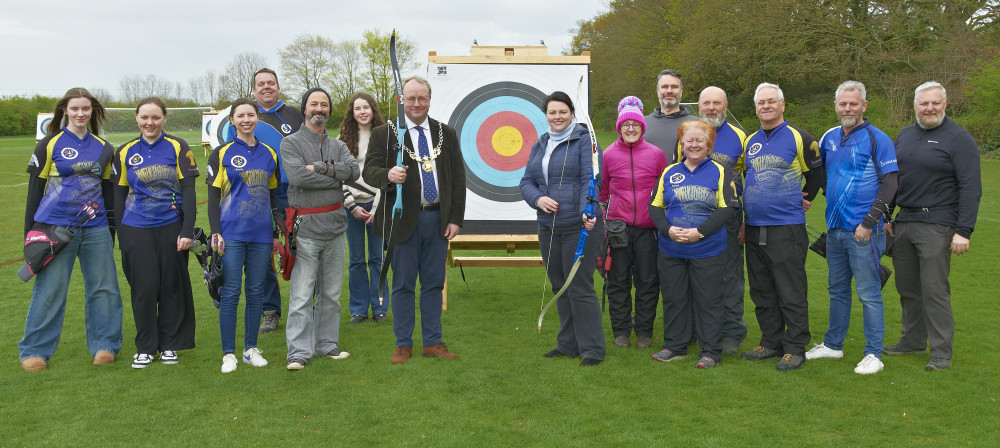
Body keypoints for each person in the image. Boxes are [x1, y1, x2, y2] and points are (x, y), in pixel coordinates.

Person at [363, 76, 466, 364]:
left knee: (434, 283)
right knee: (404, 284)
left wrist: (455, 217)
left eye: (422, 98)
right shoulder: (385, 134)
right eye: (411, 99)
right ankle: (403, 344)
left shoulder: (446, 133)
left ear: (429, 100)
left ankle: (433, 342)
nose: (417, 104)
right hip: (402, 221)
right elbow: (369, 170)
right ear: (402, 101)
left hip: (437, 220)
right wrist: (388, 176)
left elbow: (457, 178)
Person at [19, 87, 123, 372]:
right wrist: (30, 234)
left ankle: (105, 345)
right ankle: (35, 350)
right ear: (65, 110)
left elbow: (108, 192)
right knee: (51, 288)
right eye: (75, 109)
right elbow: (35, 191)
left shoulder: (104, 148)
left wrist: (111, 231)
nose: (80, 114)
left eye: (85, 109)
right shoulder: (48, 144)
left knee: (104, 288)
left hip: (96, 227)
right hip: (54, 228)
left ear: (92, 112)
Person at [884, 81, 981, 371]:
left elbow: (971, 187)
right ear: (915, 105)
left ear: (945, 104)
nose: (929, 108)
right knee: (907, 287)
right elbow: (894, 180)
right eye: (924, 103)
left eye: (935, 103)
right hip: (905, 221)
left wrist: (964, 231)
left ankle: (941, 351)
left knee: (934, 289)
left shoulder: (958, 138)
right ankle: (912, 340)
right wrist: (888, 216)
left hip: (938, 223)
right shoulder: (904, 135)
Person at [805, 81, 898, 374]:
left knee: (869, 293)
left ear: (864, 106)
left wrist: (869, 222)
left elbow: (891, 183)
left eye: (853, 104)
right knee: (837, 289)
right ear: (836, 106)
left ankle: (873, 354)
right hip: (835, 229)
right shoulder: (829, 137)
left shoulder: (877, 138)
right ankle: (833, 345)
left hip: (864, 231)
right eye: (843, 104)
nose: (848, 108)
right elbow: (820, 174)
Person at [739, 83, 823, 371]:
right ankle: (770, 342)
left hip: (786, 228)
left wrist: (808, 199)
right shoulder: (750, 141)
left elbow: (817, 172)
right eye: (761, 102)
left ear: (782, 105)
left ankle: (795, 347)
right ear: (756, 107)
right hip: (754, 227)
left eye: (771, 102)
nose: (766, 106)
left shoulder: (800, 137)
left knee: (790, 289)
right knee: (762, 289)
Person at [520, 91, 606, 367]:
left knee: (579, 286)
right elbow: (526, 181)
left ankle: (592, 349)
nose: (557, 117)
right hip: (548, 226)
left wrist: (587, 211)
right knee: (560, 285)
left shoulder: (584, 141)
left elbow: (589, 179)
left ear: (572, 113)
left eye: (563, 112)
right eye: (552, 112)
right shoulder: (541, 144)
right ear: (546, 115)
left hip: (578, 225)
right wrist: (538, 199)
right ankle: (568, 344)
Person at [113, 96, 199, 369]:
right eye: (144, 117)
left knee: (171, 286)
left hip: (171, 226)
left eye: (156, 117)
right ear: (137, 119)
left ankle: (169, 345)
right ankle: (146, 346)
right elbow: (118, 194)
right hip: (136, 228)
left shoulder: (177, 146)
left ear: (164, 118)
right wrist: (122, 233)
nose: (150, 123)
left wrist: (187, 230)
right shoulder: (125, 151)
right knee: (144, 287)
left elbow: (188, 190)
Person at [648, 120, 740, 368]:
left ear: (709, 145)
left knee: (708, 300)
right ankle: (675, 346)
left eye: (700, 140)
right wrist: (667, 230)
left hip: (708, 249)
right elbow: (655, 206)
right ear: (681, 144)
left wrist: (699, 232)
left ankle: (711, 351)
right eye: (689, 140)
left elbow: (729, 207)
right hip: (672, 249)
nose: (694, 144)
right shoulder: (669, 172)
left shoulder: (721, 171)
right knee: (674, 298)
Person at [282, 88, 360, 370]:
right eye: (314, 104)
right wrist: (334, 175)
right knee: (302, 294)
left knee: (331, 294)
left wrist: (318, 167)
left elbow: (354, 172)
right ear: (305, 109)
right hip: (305, 229)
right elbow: (297, 176)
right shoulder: (290, 143)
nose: (319, 109)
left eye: (324, 105)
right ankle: (299, 352)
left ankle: (326, 344)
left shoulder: (338, 145)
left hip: (335, 228)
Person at [223, 68, 304, 334]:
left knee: (302, 251)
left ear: (278, 87)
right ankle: (270, 310)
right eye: (261, 84)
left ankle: (307, 306)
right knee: (264, 253)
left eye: (271, 83)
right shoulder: (241, 119)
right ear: (254, 90)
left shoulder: (294, 114)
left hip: (295, 194)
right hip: (258, 197)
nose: (266, 87)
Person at [207, 98, 281, 373]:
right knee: (231, 293)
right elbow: (213, 197)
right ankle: (229, 353)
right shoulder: (222, 153)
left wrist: (275, 232)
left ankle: (250, 349)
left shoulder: (270, 154)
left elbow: (273, 196)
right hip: (232, 233)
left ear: (257, 119)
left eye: (251, 115)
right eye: (241, 116)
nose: (247, 120)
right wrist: (216, 232)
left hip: (261, 235)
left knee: (256, 292)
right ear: (233, 121)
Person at [599, 96, 667, 350]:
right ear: (619, 127)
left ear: (642, 127)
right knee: (618, 282)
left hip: (648, 230)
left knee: (648, 282)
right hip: (618, 230)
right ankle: (621, 332)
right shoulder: (607, 155)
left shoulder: (656, 155)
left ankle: (645, 332)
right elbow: (603, 194)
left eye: (635, 124)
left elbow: (664, 191)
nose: (630, 128)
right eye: (625, 124)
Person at [698, 86, 749, 355]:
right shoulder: (688, 133)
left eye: (717, 103)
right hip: (695, 216)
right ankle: (701, 329)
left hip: (729, 218)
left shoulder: (741, 137)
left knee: (730, 276)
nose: (711, 108)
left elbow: (748, 181)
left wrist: (744, 220)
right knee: (699, 275)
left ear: (726, 106)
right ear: (699, 105)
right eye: (706, 103)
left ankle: (731, 331)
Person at [339, 91, 389, 324]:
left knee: (377, 258)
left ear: (373, 110)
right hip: (352, 208)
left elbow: (386, 175)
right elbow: (339, 178)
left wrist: (377, 208)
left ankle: (379, 307)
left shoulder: (384, 137)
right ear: (352, 112)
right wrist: (352, 207)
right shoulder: (341, 140)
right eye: (357, 108)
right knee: (357, 259)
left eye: (366, 107)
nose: (362, 112)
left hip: (378, 204)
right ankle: (358, 309)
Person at [644, 69, 697, 164]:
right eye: (664, 87)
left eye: (674, 87)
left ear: (681, 91)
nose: (669, 91)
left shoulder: (698, 125)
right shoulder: (641, 124)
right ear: (657, 91)